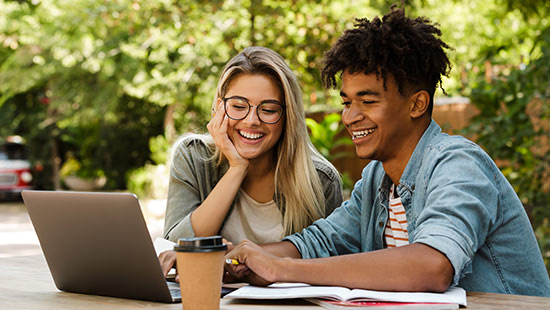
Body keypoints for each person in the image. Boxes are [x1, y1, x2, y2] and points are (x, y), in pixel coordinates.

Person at [224, 8, 550, 297]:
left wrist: (281, 270)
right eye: (347, 102)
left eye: (368, 102)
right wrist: (234, 259)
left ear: (416, 104)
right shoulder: (377, 181)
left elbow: (432, 265)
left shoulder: (458, 164)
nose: (350, 117)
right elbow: (317, 243)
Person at [159, 46, 343, 276]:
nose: (252, 120)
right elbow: (175, 249)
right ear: (218, 106)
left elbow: (330, 260)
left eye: (268, 110)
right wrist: (237, 168)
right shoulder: (193, 156)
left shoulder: (320, 179)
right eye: (238, 106)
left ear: (288, 116)